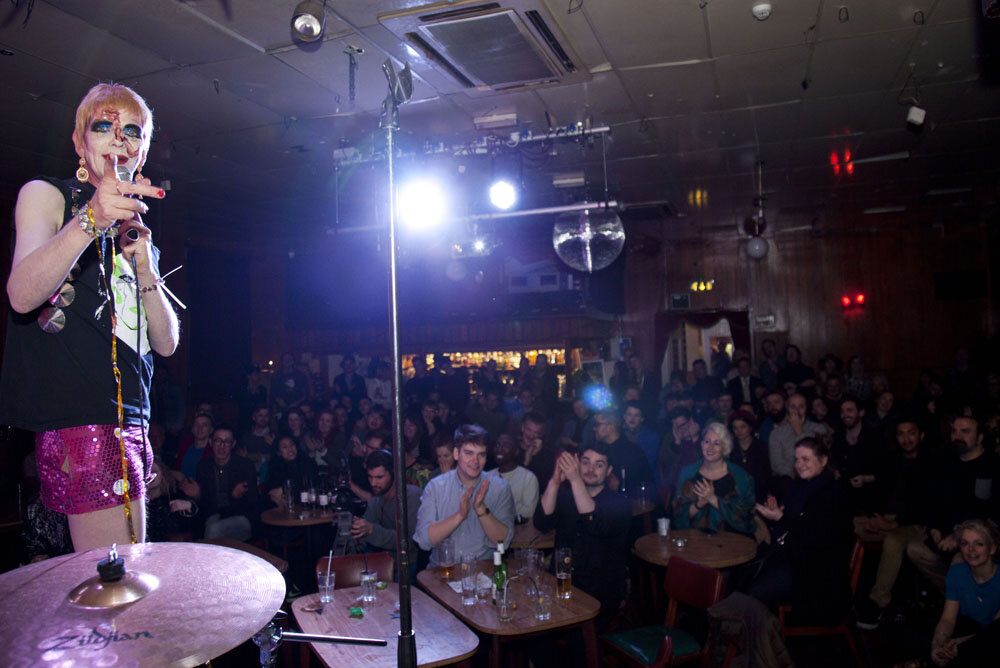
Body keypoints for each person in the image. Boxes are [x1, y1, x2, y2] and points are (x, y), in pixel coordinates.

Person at [0, 83, 179, 551]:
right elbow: (20, 294)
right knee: (117, 594)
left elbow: (165, 343)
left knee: (127, 586)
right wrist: (90, 219)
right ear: (80, 143)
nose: (120, 139)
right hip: (83, 422)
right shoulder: (48, 196)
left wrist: (146, 266)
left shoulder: (135, 232)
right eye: (105, 127)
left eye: (133, 132)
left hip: (132, 422)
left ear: (141, 153)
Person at [751, 438, 854, 624]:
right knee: (742, 577)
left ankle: (763, 643)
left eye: (806, 459)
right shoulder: (799, 486)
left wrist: (781, 518)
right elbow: (792, 522)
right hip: (793, 557)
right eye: (797, 460)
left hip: (816, 572)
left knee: (754, 594)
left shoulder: (833, 492)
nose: (799, 465)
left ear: (823, 461)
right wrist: (776, 513)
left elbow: (815, 536)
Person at [534, 443, 632, 632]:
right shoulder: (565, 496)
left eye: (599, 464)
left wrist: (575, 479)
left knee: (577, 641)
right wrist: (555, 481)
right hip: (563, 585)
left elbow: (595, 523)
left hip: (600, 591)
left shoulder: (619, 503)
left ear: (609, 470)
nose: (590, 469)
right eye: (585, 462)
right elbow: (541, 523)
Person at [855, 417, 934, 630]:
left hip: (912, 524)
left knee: (892, 540)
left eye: (911, 433)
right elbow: (879, 491)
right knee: (845, 526)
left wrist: (895, 523)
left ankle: (878, 602)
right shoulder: (892, 460)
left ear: (921, 435)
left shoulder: (931, 464)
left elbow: (927, 504)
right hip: (886, 518)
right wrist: (875, 517)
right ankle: (841, 592)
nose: (906, 438)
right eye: (901, 434)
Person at [906, 415, 1000, 594]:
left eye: (965, 432)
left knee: (962, 559)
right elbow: (933, 501)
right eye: (954, 431)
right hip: (945, 538)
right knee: (914, 549)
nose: (958, 436)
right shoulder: (945, 463)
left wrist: (960, 536)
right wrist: (933, 528)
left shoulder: (994, 465)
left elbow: (994, 516)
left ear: (980, 437)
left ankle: (964, 604)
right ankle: (956, 598)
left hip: (979, 540)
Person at [413, 426, 515, 566]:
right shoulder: (435, 487)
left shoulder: (500, 488)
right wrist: (459, 515)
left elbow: (503, 542)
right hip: (441, 573)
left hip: (483, 571)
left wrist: (482, 510)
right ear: (456, 453)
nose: (475, 461)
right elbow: (424, 541)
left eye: (481, 454)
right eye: (469, 453)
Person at [930, 519, 1000, 667]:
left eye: (979, 544)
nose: (971, 549)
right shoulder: (957, 573)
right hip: (971, 630)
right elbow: (948, 619)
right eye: (965, 543)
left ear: (992, 548)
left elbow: (994, 633)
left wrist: (961, 644)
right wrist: (938, 645)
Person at [672, 423, 756, 535]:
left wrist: (713, 499)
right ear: (701, 444)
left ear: (725, 448)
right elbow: (677, 516)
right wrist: (698, 505)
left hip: (732, 541)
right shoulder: (687, 473)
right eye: (707, 442)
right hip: (695, 540)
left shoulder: (741, 478)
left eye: (717, 443)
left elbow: (746, 520)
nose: (710, 447)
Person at [351, 449, 422, 580]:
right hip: (381, 563)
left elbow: (407, 542)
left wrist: (371, 530)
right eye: (370, 477)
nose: (373, 483)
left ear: (394, 475)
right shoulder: (377, 501)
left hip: (406, 565)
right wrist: (357, 531)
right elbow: (363, 538)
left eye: (379, 477)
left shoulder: (411, 497)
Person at [183, 426, 259, 541]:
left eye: (227, 442)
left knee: (214, 529)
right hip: (213, 515)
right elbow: (206, 503)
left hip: (240, 516)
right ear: (210, 442)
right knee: (206, 527)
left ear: (233, 444)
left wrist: (233, 497)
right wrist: (198, 496)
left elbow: (253, 501)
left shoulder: (245, 466)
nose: (222, 446)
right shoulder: (204, 467)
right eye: (218, 441)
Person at [486, 434, 540, 521]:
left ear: (516, 452)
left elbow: (530, 512)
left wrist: (504, 498)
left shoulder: (528, 478)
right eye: (497, 445)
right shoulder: (487, 476)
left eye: (506, 445)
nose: (500, 449)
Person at [263, 436, 318, 509]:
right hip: (283, 506)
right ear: (279, 452)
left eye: (292, 445)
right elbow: (270, 487)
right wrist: (275, 496)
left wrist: (283, 489)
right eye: (285, 447)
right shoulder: (275, 466)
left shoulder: (308, 463)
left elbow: (306, 484)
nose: (290, 449)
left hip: (305, 503)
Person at [728, 410, 771, 503]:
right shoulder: (730, 448)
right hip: (736, 494)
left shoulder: (761, 447)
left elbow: (765, 476)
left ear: (750, 427)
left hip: (758, 494)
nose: (739, 431)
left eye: (743, 427)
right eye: (735, 428)